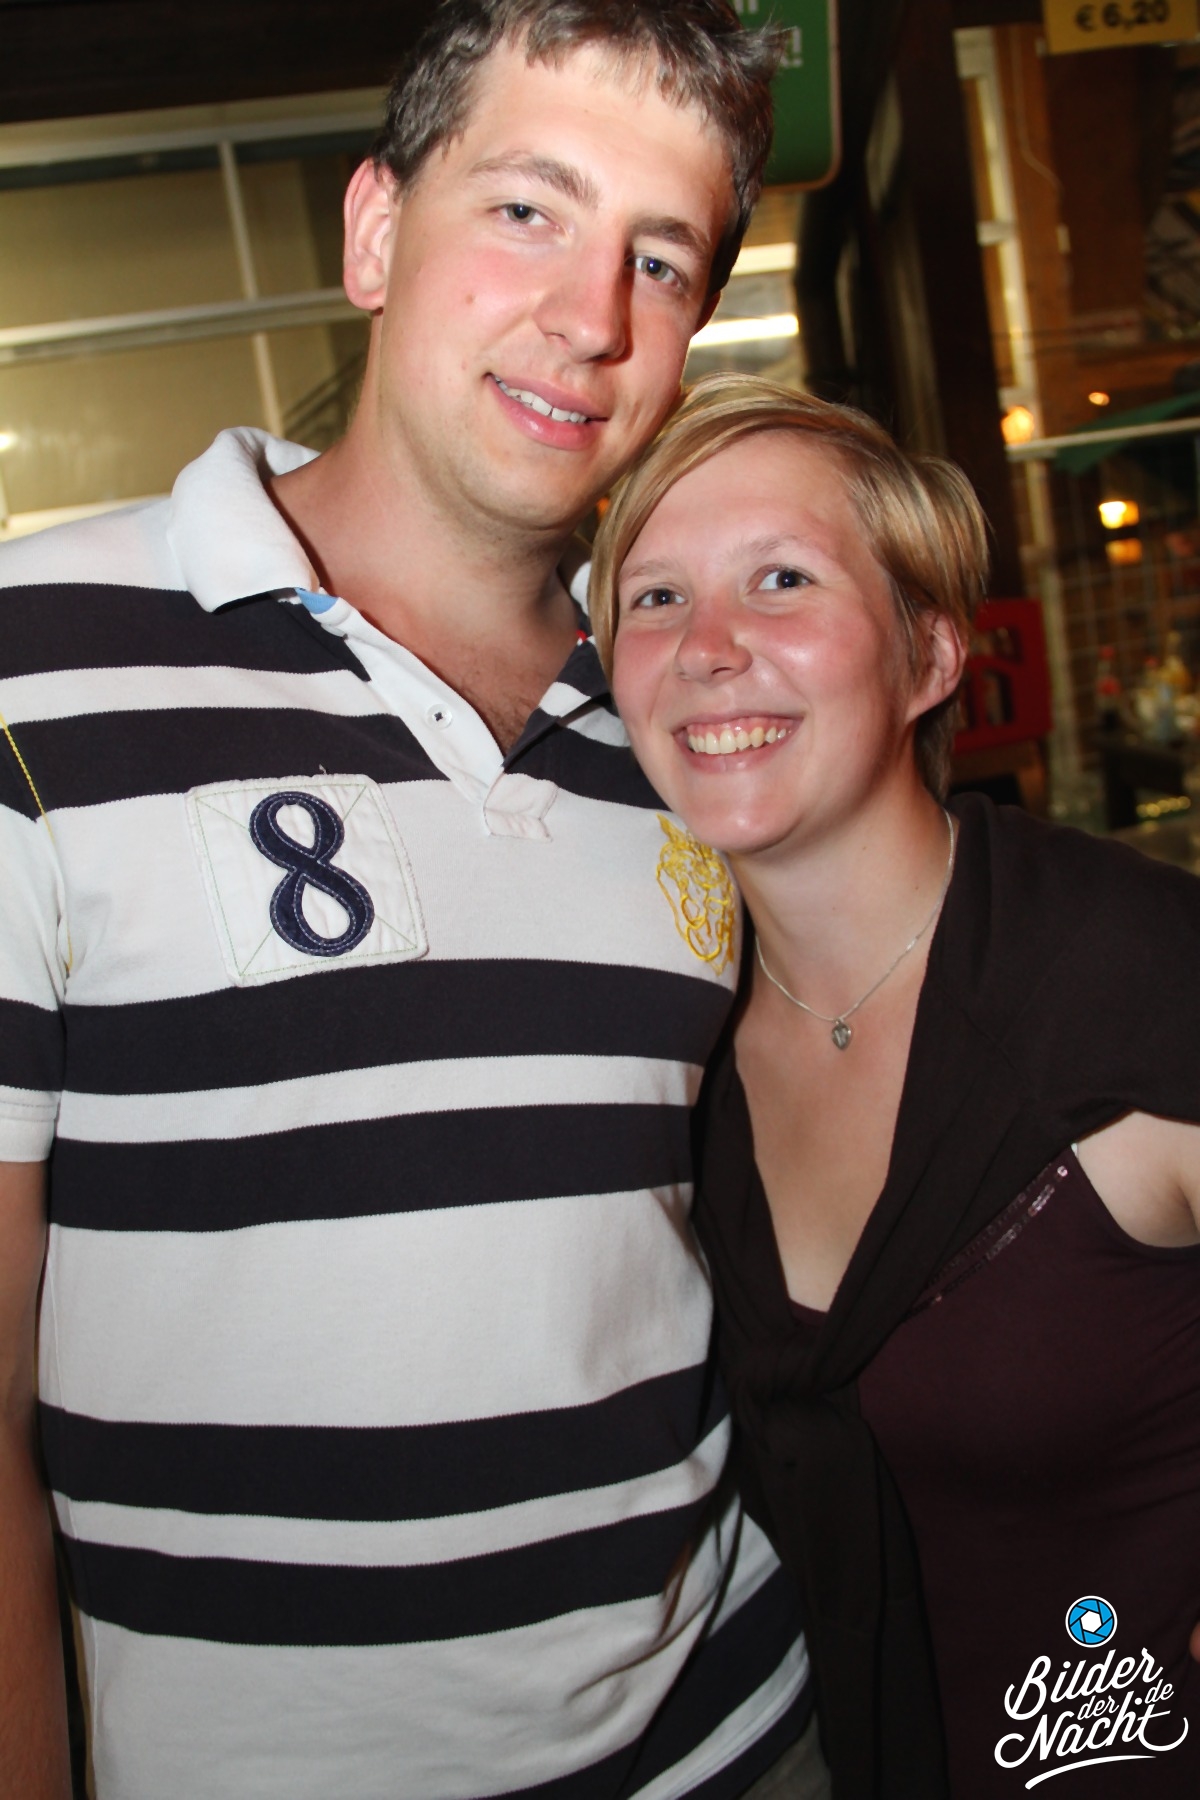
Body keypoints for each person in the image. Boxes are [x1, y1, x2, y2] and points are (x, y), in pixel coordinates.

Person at [0, 11, 823, 1797]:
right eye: (529, 210)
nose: (592, 317)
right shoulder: (30, 672)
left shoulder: (691, 727)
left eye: (660, 259)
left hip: (739, 1737)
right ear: (375, 232)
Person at [591, 372, 1200, 1798]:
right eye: (656, 599)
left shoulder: (1128, 971)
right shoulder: (670, 1040)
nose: (707, 649)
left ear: (929, 655)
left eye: (781, 579)